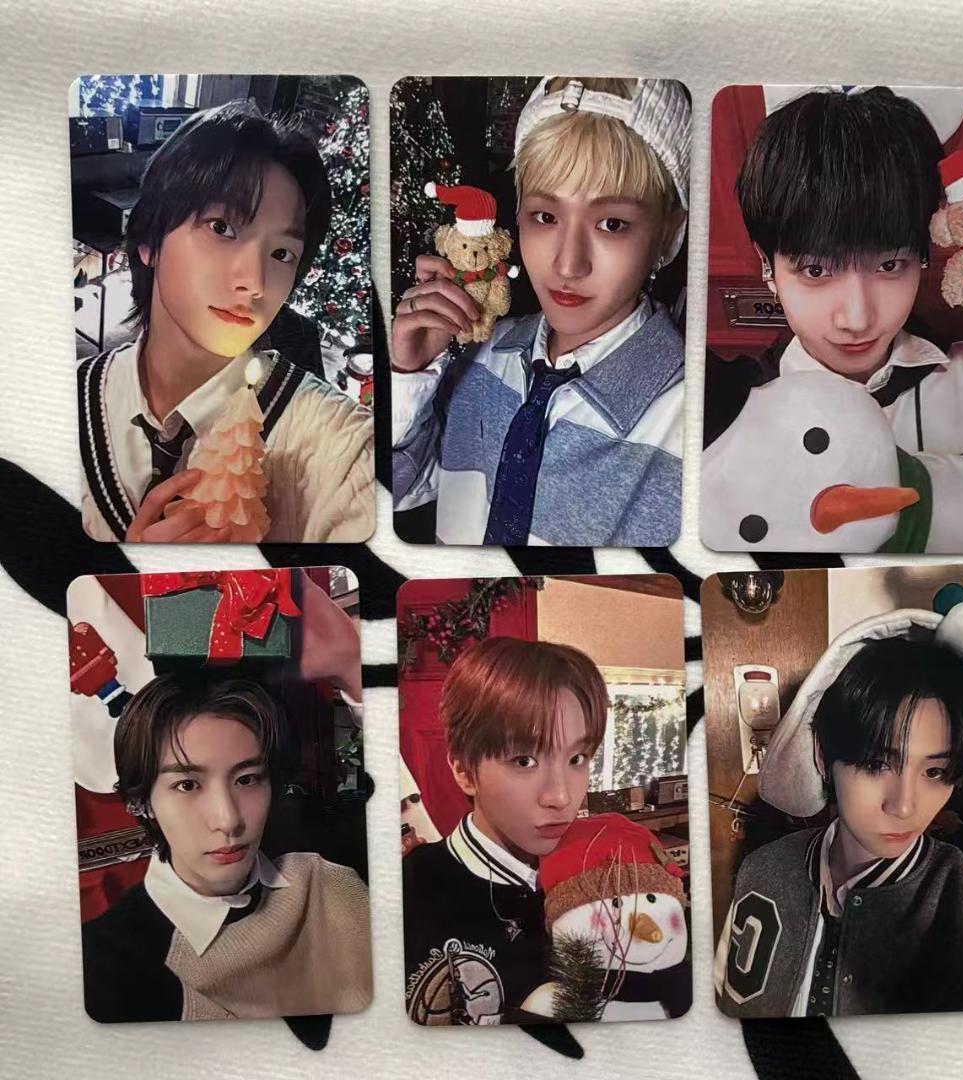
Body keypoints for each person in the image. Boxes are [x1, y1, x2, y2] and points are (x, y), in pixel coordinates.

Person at [391, 77, 690, 546]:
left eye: (612, 224)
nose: (568, 264)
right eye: (545, 217)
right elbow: (399, 493)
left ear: (669, 234)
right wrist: (409, 374)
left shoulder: (695, 422)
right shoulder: (480, 354)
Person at [704, 87, 963, 553]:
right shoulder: (731, 418)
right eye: (816, 271)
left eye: (889, 265)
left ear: (922, 255)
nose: (857, 317)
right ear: (767, 265)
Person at [77, 101, 375, 544]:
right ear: (150, 240)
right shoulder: (64, 402)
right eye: (222, 228)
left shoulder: (341, 448)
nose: (255, 282)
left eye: (281, 254)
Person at [714, 620, 963, 1018]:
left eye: (935, 772)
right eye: (876, 764)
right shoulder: (763, 870)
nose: (904, 807)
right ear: (822, 756)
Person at [81, 673, 373, 1022]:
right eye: (188, 785)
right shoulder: (104, 964)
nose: (228, 820)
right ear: (142, 801)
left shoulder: (331, 877)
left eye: (247, 780)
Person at [402, 637, 609, 1025]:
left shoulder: (603, 874)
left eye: (577, 758)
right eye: (525, 760)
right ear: (464, 770)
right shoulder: (404, 893)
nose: (561, 796)